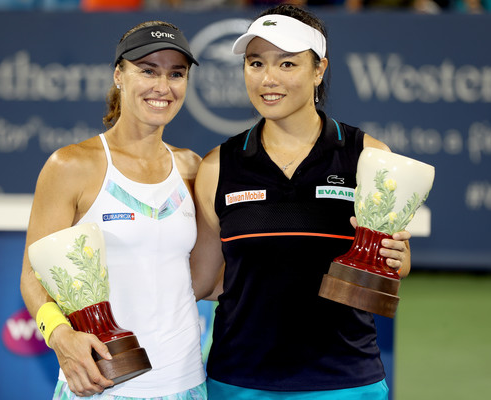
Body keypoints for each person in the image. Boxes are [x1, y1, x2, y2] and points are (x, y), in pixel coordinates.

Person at [190, 5, 411, 399]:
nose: (268, 78)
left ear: (319, 70)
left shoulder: (369, 156)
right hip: (240, 383)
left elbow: (392, 264)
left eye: (287, 64)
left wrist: (397, 256)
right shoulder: (217, 166)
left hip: (346, 383)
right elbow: (203, 281)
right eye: (255, 63)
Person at [20, 21, 207, 400]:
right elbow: (31, 276)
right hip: (100, 386)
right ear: (119, 75)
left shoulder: (192, 167)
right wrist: (59, 335)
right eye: (148, 70)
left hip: (186, 383)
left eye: (176, 74)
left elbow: (207, 278)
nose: (162, 86)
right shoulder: (71, 165)